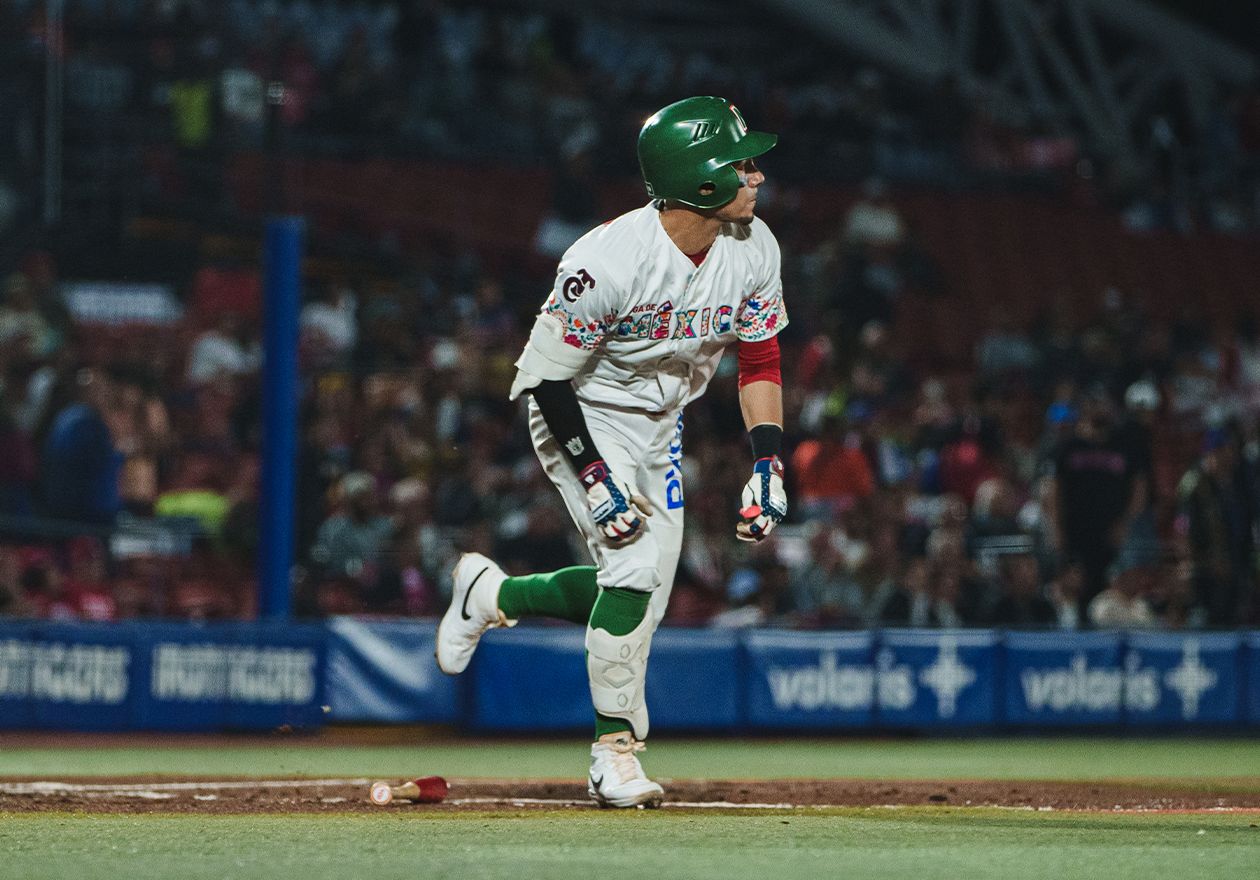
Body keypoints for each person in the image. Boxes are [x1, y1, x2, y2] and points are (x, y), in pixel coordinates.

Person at [435, 97, 787, 808]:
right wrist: (596, 479)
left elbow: (760, 361)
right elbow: (546, 380)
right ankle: (614, 753)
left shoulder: (755, 246)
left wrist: (768, 462)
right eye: (739, 163)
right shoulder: (604, 261)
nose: (755, 175)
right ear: (699, 179)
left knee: (642, 599)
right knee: (631, 569)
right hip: (581, 414)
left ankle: (493, 595)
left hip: (661, 423)